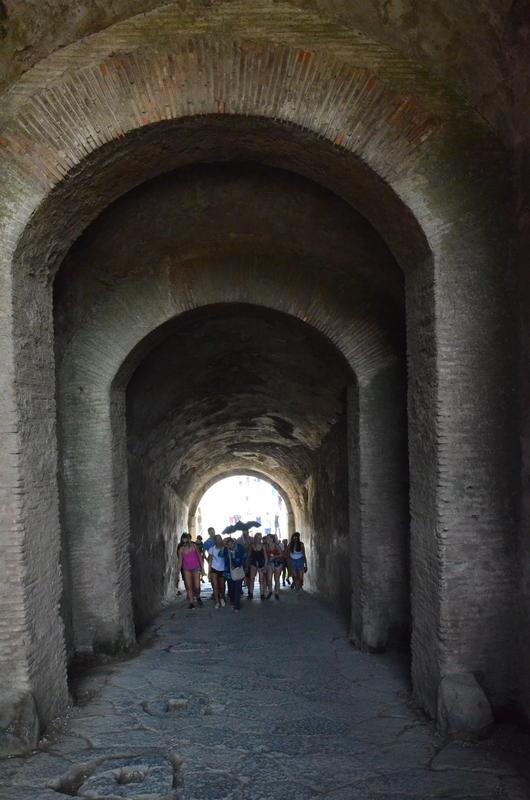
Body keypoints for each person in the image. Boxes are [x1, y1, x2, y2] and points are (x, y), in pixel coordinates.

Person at [176, 532, 204, 609]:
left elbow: (199, 557)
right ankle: (191, 602)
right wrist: (177, 573)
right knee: (189, 586)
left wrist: (203, 568)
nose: (185, 543)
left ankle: (198, 596)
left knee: (197, 586)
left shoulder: (194, 546)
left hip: (196, 568)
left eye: (186, 541)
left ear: (188, 540)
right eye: (183, 541)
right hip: (186, 569)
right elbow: (180, 562)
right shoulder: (181, 549)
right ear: (182, 541)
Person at [225, 537, 246, 612]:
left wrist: (236, 564)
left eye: (231, 544)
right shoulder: (225, 550)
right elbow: (223, 557)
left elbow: (243, 558)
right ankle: (232, 600)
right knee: (231, 588)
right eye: (228, 544)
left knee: (238, 588)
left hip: (238, 570)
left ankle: (237, 605)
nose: (230, 546)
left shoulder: (239, 548)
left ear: (234, 543)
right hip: (229, 571)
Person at [208, 534, 227, 609]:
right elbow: (210, 560)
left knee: (222, 586)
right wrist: (209, 572)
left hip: (222, 569)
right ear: (215, 541)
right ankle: (217, 601)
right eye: (216, 539)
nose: (218, 540)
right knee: (215, 586)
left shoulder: (225, 548)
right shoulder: (212, 549)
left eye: (219, 539)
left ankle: (222, 597)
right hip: (214, 569)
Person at [248, 532, 268, 600]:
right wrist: (247, 565)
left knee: (261, 580)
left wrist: (265, 566)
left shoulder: (263, 546)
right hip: (253, 564)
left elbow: (266, 557)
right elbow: (249, 556)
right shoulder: (251, 545)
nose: (259, 539)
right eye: (257, 538)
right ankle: (251, 594)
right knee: (252, 579)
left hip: (261, 564)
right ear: (255, 538)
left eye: (260, 538)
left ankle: (262, 594)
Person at [265, 534, 283, 600]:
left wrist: (275, 557)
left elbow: (281, 554)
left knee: (276, 579)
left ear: (272, 539)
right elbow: (265, 556)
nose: (267, 539)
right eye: (267, 538)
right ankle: (270, 591)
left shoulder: (276, 546)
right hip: (270, 563)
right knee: (269, 579)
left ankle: (276, 592)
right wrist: (265, 565)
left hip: (277, 563)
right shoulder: (266, 546)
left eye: (268, 538)